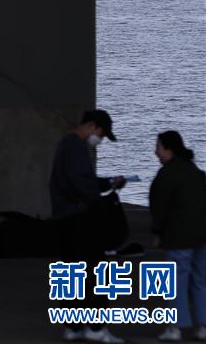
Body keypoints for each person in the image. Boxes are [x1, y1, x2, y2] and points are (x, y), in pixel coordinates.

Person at [50, 110, 128, 344]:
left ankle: (73, 328)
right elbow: (81, 183)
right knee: (96, 275)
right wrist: (101, 200)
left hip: (65, 220)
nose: (100, 139)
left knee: (72, 275)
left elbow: (82, 179)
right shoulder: (75, 147)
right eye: (101, 134)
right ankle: (96, 328)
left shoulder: (66, 145)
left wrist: (107, 182)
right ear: (92, 126)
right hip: (80, 221)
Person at [149, 130, 206, 342]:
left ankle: (175, 328)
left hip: (179, 237)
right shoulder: (196, 172)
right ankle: (203, 326)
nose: (156, 152)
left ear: (167, 148)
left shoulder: (167, 174)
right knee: (200, 281)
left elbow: (160, 207)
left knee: (176, 284)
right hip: (202, 236)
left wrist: (157, 232)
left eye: (158, 147)